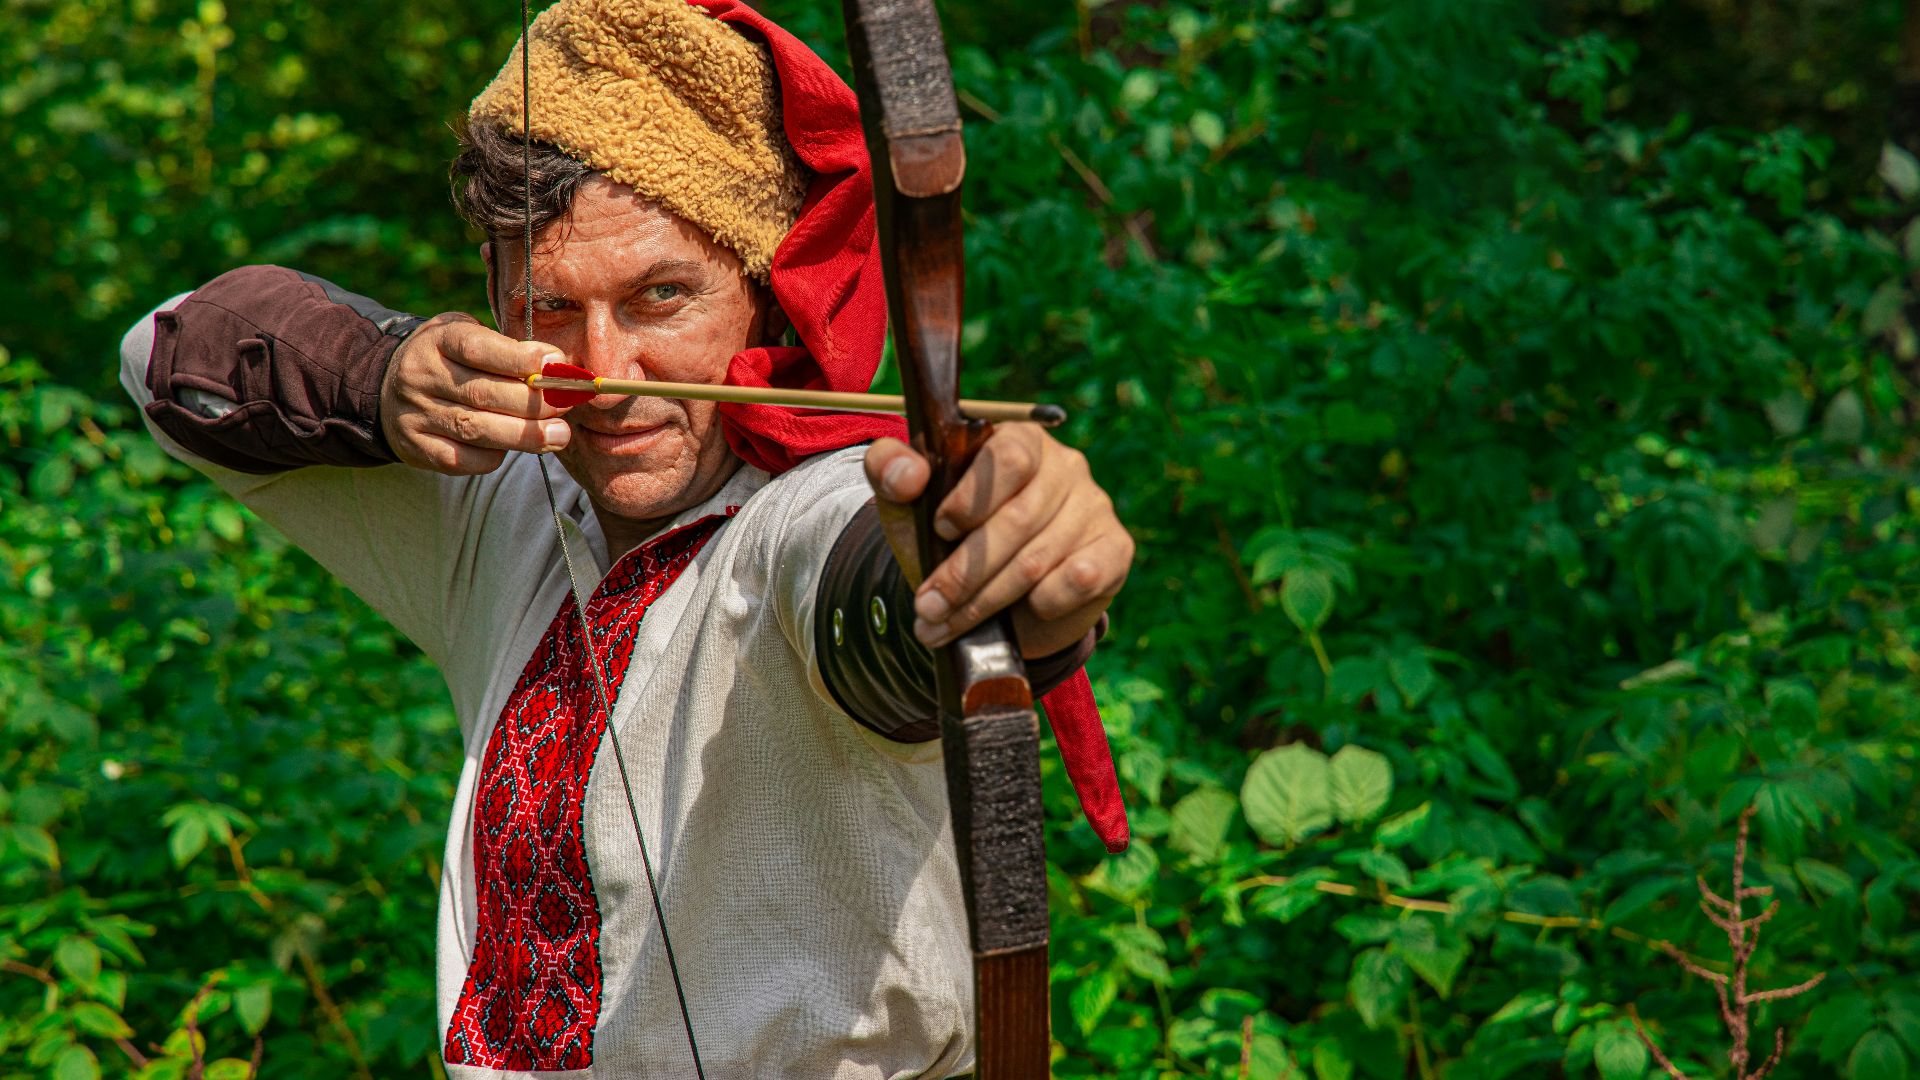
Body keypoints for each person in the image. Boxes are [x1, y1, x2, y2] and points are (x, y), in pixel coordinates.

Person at [118, 0, 1132, 1074]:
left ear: (761, 288)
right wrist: (381, 375)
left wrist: (1011, 559)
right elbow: (162, 357)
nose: (605, 369)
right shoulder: (505, 504)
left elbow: (892, 593)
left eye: (661, 295)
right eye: (551, 307)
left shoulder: (804, 511)